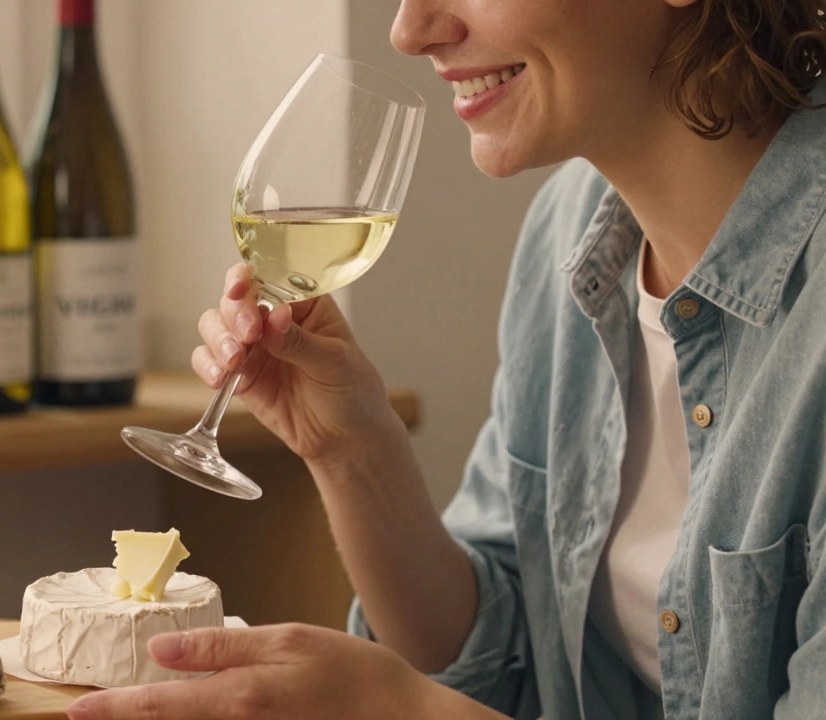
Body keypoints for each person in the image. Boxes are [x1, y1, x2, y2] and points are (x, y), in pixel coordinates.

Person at [67, 0, 826, 717]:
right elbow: (501, 661)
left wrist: (404, 709)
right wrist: (352, 451)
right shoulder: (570, 235)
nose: (411, 28)